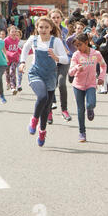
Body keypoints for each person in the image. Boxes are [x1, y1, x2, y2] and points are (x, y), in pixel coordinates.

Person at [19, 16, 69, 147]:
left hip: (50, 76)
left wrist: (56, 57)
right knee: (42, 97)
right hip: (36, 73)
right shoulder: (33, 39)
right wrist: (22, 62)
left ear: (51, 28)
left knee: (46, 107)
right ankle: (34, 119)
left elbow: (66, 59)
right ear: (36, 28)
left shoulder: (56, 41)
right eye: (41, 27)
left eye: (46, 27)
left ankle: (42, 131)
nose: (43, 30)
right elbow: (24, 50)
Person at [68, 33, 106, 142]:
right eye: (76, 46)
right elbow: (70, 73)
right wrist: (76, 68)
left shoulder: (96, 54)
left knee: (91, 104)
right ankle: (82, 132)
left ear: (86, 42)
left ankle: (90, 109)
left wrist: (101, 77)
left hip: (91, 84)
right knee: (80, 110)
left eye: (80, 45)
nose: (78, 48)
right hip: (78, 85)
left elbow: (104, 65)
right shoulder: (76, 55)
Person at [48, 9, 72, 122]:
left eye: (58, 17)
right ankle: (49, 112)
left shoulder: (65, 30)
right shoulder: (47, 30)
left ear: (61, 18)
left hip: (63, 59)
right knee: (51, 85)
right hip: (51, 60)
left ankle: (64, 110)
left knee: (62, 83)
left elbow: (68, 44)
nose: (56, 20)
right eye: (53, 18)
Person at [4, 26, 22, 95]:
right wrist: (10, 53)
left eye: (15, 31)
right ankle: (8, 82)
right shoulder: (6, 40)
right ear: (9, 33)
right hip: (7, 60)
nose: (14, 33)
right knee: (7, 73)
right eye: (12, 32)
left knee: (12, 72)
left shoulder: (17, 39)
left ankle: (13, 87)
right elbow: (4, 50)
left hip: (15, 59)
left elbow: (17, 48)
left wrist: (22, 51)